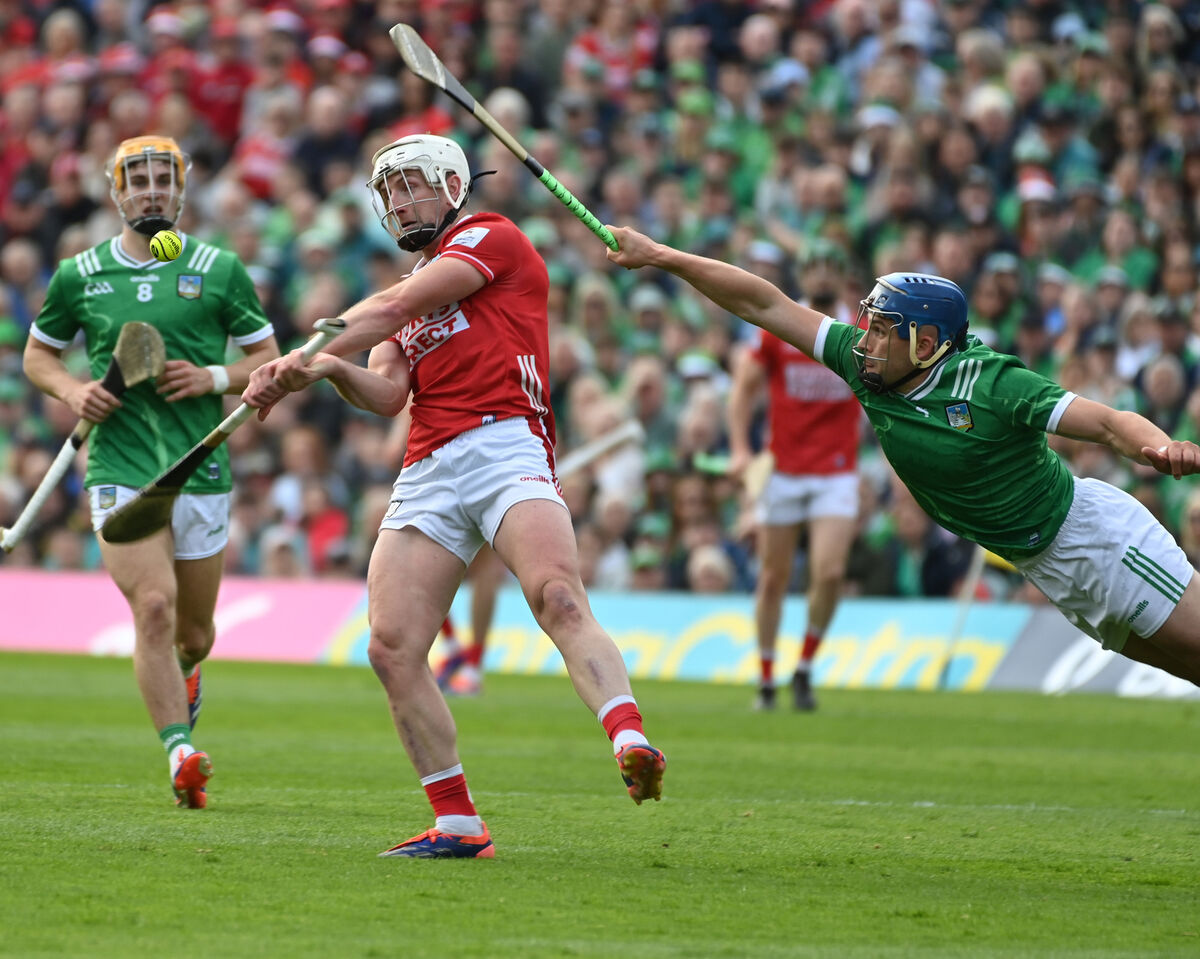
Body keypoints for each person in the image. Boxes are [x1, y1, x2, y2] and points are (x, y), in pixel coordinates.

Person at [242, 134, 665, 859]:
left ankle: (629, 737)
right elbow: (387, 394)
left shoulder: (490, 237)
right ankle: (458, 823)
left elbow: (395, 304)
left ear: (451, 185)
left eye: (412, 185)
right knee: (391, 646)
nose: (399, 202)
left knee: (558, 597)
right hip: (429, 465)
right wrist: (325, 373)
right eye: (389, 192)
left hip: (505, 442)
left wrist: (305, 351)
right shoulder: (405, 294)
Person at [606, 225, 1200, 687]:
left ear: (926, 342)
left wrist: (1159, 445)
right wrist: (661, 255)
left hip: (1097, 540)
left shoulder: (993, 383)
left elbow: (1108, 423)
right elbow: (763, 304)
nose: (863, 340)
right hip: (1047, 568)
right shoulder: (866, 369)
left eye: (881, 329)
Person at [23, 135, 280, 808]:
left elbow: (270, 360)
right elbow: (38, 357)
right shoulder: (79, 274)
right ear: (116, 192)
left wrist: (214, 377)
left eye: (163, 179)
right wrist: (73, 391)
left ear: (182, 190)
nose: (151, 190)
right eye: (137, 180)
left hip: (199, 467)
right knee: (154, 606)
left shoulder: (219, 269)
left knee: (194, 635)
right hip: (119, 463)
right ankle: (179, 751)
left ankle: (186, 673)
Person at [727, 241, 861, 711]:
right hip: (783, 469)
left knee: (830, 572)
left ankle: (803, 668)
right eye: (814, 268)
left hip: (837, 469)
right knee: (773, 577)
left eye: (830, 268)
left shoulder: (862, 332)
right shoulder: (780, 325)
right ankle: (766, 676)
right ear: (802, 277)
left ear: (842, 277)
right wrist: (741, 448)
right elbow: (743, 391)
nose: (821, 277)